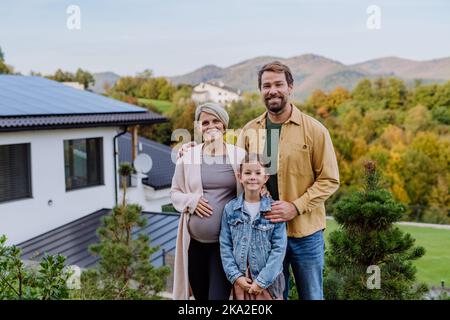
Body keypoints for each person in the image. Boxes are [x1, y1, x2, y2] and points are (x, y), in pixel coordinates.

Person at [236, 61, 340, 300]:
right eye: (266, 85)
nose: (272, 90)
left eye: (278, 84)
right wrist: (192, 151)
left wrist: (295, 207)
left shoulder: (315, 130)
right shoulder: (249, 131)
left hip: (306, 234)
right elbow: (235, 170)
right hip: (265, 234)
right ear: (261, 91)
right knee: (272, 297)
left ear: (290, 87)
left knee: (312, 296)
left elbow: (329, 179)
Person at [171, 102, 246, 300]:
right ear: (198, 127)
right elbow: (175, 193)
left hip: (225, 246)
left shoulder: (239, 156)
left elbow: (252, 191)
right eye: (205, 122)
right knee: (200, 298)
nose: (210, 126)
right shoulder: (187, 157)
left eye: (216, 121)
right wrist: (192, 200)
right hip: (195, 245)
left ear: (224, 125)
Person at [220, 153, 286, 300]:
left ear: (266, 178)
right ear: (239, 176)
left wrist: (262, 281)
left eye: (258, 173)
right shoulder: (230, 209)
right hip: (242, 282)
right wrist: (236, 277)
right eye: (247, 173)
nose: (252, 177)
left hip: (269, 283)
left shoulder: (273, 210)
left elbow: (279, 249)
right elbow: (225, 246)